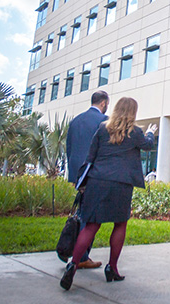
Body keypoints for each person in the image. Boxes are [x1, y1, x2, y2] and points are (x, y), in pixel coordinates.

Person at [60, 97, 157, 290]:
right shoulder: (135, 132)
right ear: (133, 112)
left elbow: (90, 157)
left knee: (91, 226)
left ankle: (72, 265)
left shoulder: (103, 129)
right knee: (120, 224)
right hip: (121, 185)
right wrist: (150, 133)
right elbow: (148, 145)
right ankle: (112, 268)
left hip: (98, 182)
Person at [64, 90, 109, 269]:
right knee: (88, 216)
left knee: (83, 211)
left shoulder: (75, 121)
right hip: (95, 173)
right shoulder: (103, 122)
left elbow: (69, 149)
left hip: (78, 173)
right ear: (104, 103)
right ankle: (81, 256)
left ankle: (76, 252)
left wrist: (74, 175)